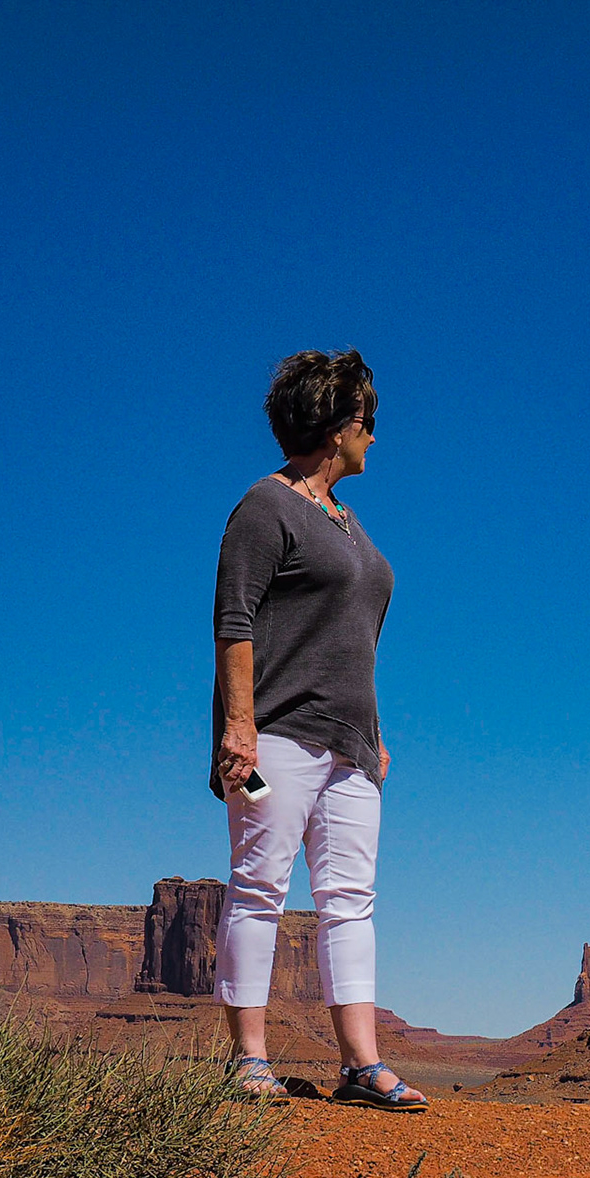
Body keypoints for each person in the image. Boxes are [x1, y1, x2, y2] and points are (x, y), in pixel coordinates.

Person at [209, 348, 425, 1111]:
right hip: (278, 736)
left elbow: (351, 636)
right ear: (337, 427)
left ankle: (360, 1065)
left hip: (351, 746)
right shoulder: (266, 507)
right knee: (260, 888)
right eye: (369, 422)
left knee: (349, 898)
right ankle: (247, 1059)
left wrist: (374, 733)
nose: (375, 437)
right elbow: (233, 623)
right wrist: (240, 728)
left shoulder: (348, 522)